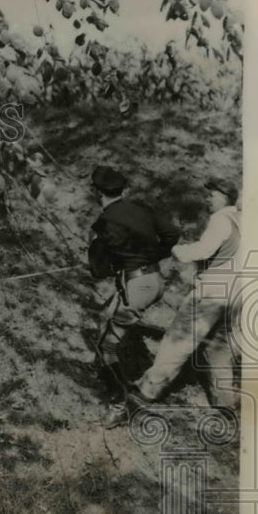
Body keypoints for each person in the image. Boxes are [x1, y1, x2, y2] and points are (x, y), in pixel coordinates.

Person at [130, 177, 241, 409]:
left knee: (179, 339)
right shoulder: (241, 220)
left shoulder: (221, 218)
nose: (207, 200)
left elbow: (202, 250)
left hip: (212, 291)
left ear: (224, 197)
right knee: (218, 348)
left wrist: (175, 249)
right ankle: (226, 401)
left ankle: (149, 389)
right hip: (237, 294)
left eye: (211, 195)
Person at [88, 166, 180, 427]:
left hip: (137, 286)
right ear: (121, 189)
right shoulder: (141, 208)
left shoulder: (103, 224)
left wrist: (113, 258)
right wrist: (152, 255)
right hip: (154, 280)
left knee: (108, 347)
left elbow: (97, 270)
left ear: (97, 192)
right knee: (106, 314)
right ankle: (104, 371)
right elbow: (172, 234)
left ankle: (119, 406)